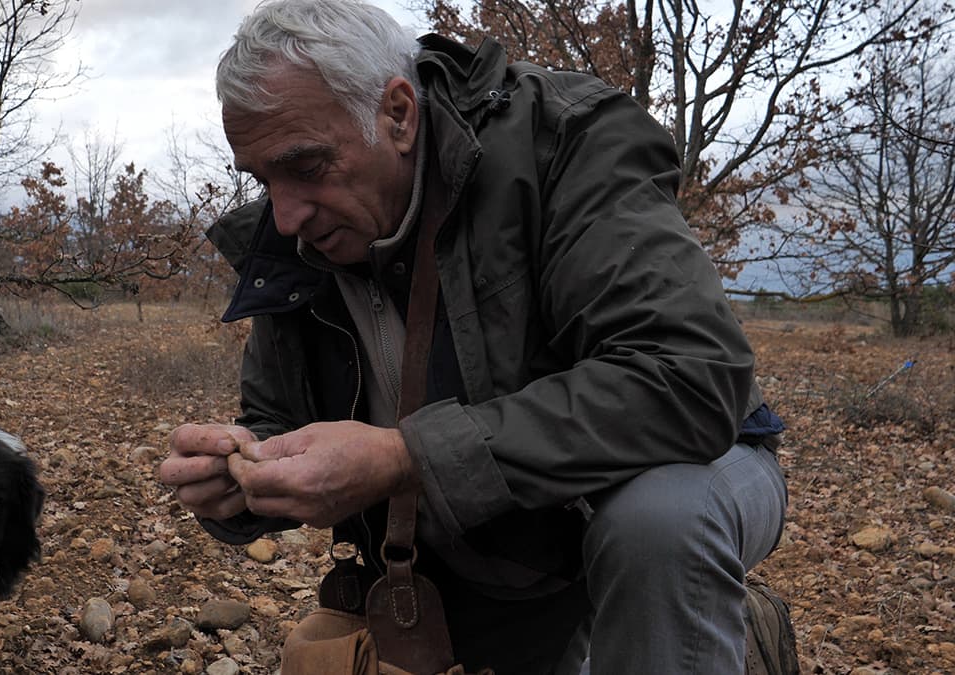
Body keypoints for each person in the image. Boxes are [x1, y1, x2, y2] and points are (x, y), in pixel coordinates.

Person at [159, 0, 791, 672]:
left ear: (398, 115)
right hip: (484, 547)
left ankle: (698, 627)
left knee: (661, 523)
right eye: (263, 180)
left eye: (307, 167)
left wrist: (406, 457)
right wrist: (239, 478)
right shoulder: (302, 230)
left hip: (701, 461)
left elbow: (689, 377)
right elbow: (278, 420)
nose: (284, 217)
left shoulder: (566, 137)